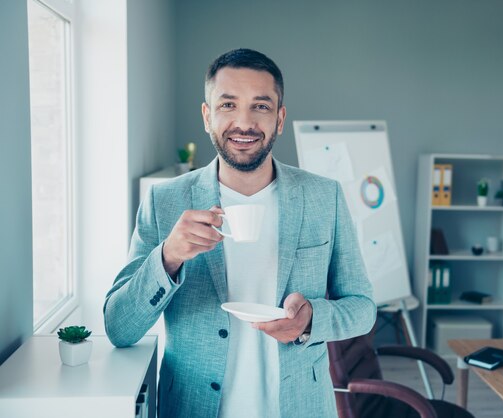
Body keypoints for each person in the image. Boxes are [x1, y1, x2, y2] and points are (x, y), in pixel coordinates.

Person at [104, 48, 376, 418]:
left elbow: (362, 307)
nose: (244, 123)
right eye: (228, 105)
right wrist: (168, 257)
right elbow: (119, 328)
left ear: (280, 119)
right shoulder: (165, 201)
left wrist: (311, 320)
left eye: (260, 107)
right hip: (192, 407)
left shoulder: (323, 196)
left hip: (300, 407)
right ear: (207, 116)